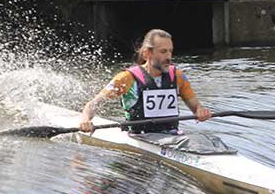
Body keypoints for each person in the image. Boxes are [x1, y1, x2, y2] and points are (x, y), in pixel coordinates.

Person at [79, 29, 212, 134]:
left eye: (170, 51)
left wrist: (201, 111)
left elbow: (196, 108)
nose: (169, 57)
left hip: (171, 135)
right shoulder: (127, 78)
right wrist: (86, 121)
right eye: (163, 52)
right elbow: (93, 105)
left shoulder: (178, 76)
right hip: (139, 136)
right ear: (147, 54)